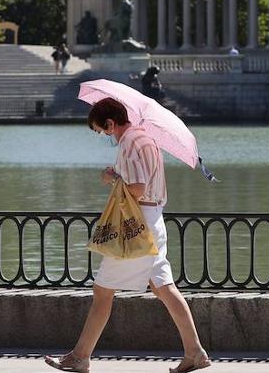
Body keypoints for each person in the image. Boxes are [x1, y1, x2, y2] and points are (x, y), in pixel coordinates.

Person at [44, 97, 210, 373]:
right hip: (153, 220)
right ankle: (195, 352)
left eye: (102, 130)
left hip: (136, 225)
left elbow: (136, 188)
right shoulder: (147, 139)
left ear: (111, 123)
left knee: (102, 291)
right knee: (164, 288)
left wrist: (111, 177)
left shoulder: (130, 142)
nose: (104, 136)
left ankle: (80, 356)